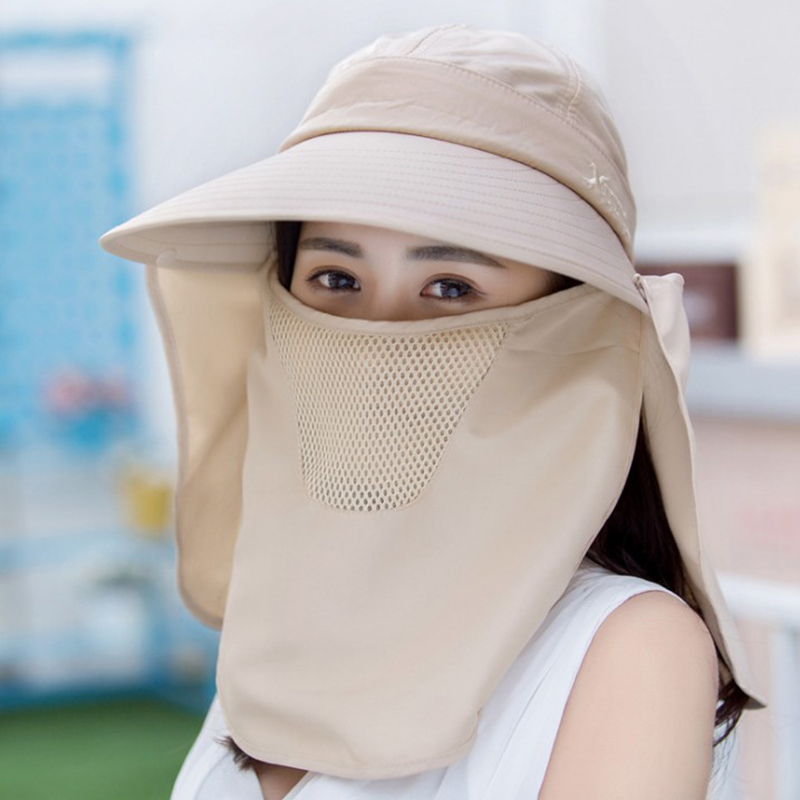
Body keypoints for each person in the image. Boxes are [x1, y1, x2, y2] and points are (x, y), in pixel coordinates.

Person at [99, 23, 765, 800]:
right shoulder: (286, 632)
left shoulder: (628, 650)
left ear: (577, 337)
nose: (378, 335)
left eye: (451, 287)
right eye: (335, 279)